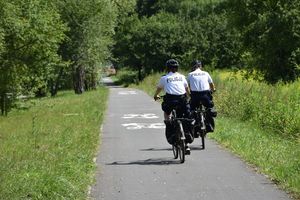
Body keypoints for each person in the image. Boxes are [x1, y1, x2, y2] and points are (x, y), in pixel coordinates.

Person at [154, 59, 193, 153]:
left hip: (170, 100)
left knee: (167, 112)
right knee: (185, 118)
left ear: (167, 68)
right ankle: (186, 144)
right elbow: (187, 89)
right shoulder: (182, 77)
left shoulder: (164, 78)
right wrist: (188, 96)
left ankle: (168, 124)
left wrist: (156, 96)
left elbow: (159, 89)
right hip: (182, 100)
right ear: (177, 68)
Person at [187, 60, 217, 134]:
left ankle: (194, 124)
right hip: (205, 95)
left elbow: (188, 86)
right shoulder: (206, 73)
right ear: (200, 66)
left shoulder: (190, 74)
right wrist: (213, 90)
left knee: (191, 110)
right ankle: (209, 125)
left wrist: (189, 94)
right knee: (209, 108)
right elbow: (211, 84)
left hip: (195, 95)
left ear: (193, 67)